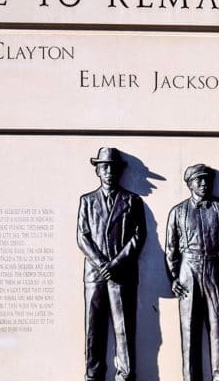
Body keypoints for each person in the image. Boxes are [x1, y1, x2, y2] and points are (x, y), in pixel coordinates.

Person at [165, 164, 219, 381]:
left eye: (207, 179)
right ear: (189, 184)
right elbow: (171, 248)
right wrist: (173, 277)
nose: (204, 183)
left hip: (216, 270)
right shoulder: (178, 212)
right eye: (199, 180)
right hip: (188, 271)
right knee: (189, 331)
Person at [77, 147, 146, 381]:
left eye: (113, 168)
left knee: (123, 329)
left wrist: (115, 263)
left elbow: (138, 237)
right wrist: (100, 263)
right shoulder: (87, 201)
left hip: (122, 272)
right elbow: (82, 237)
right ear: (97, 170)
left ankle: (125, 376)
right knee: (93, 329)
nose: (108, 172)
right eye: (104, 167)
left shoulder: (132, 201)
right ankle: (92, 375)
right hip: (95, 274)